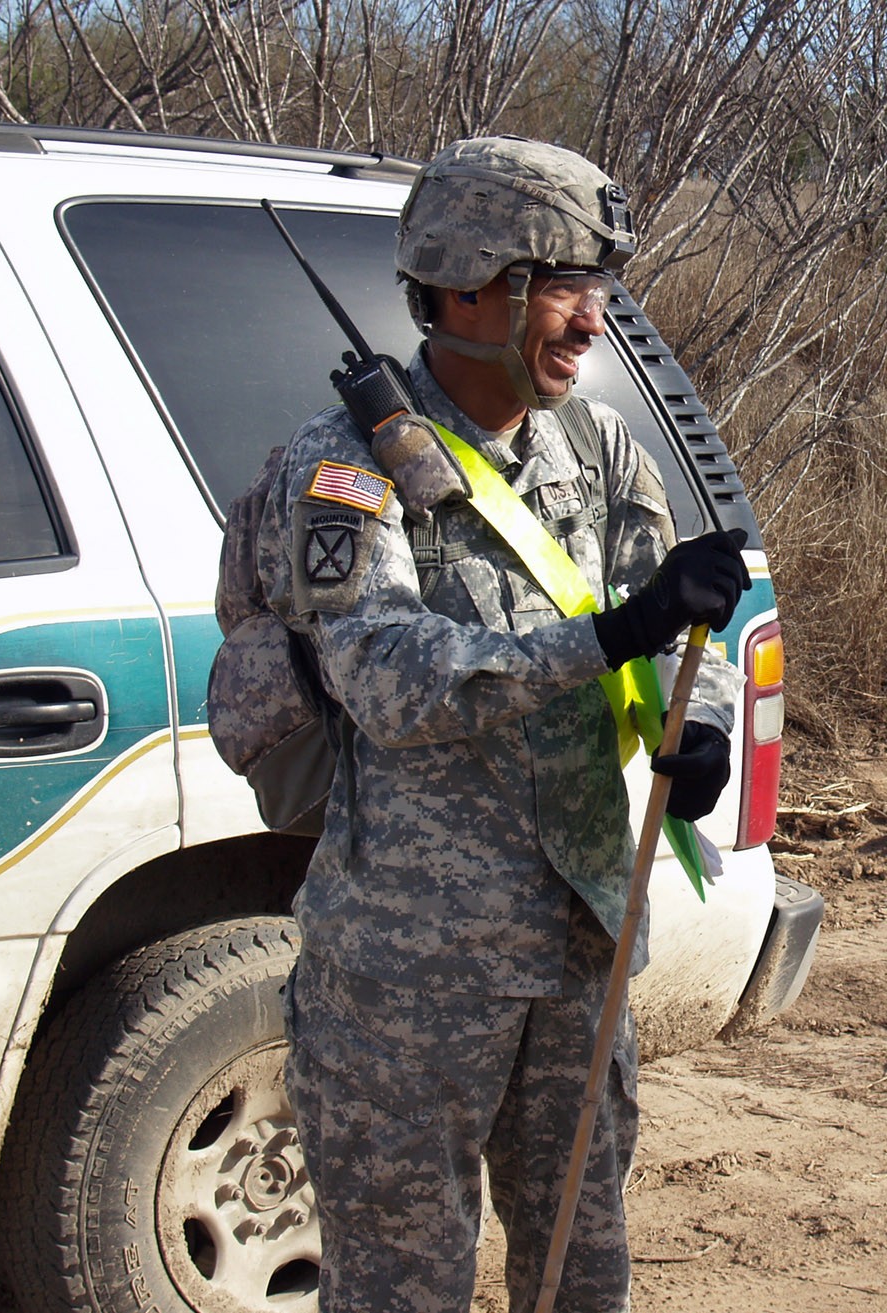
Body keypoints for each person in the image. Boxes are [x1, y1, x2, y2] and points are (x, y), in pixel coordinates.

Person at [258, 136, 750, 1312]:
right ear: (475, 283)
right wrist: (604, 640)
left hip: (579, 942)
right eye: (567, 284)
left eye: (597, 287)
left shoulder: (598, 446)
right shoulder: (340, 474)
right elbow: (388, 676)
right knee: (400, 1285)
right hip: (411, 968)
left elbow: (685, 625)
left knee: (582, 1268)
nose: (593, 319)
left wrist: (707, 723)